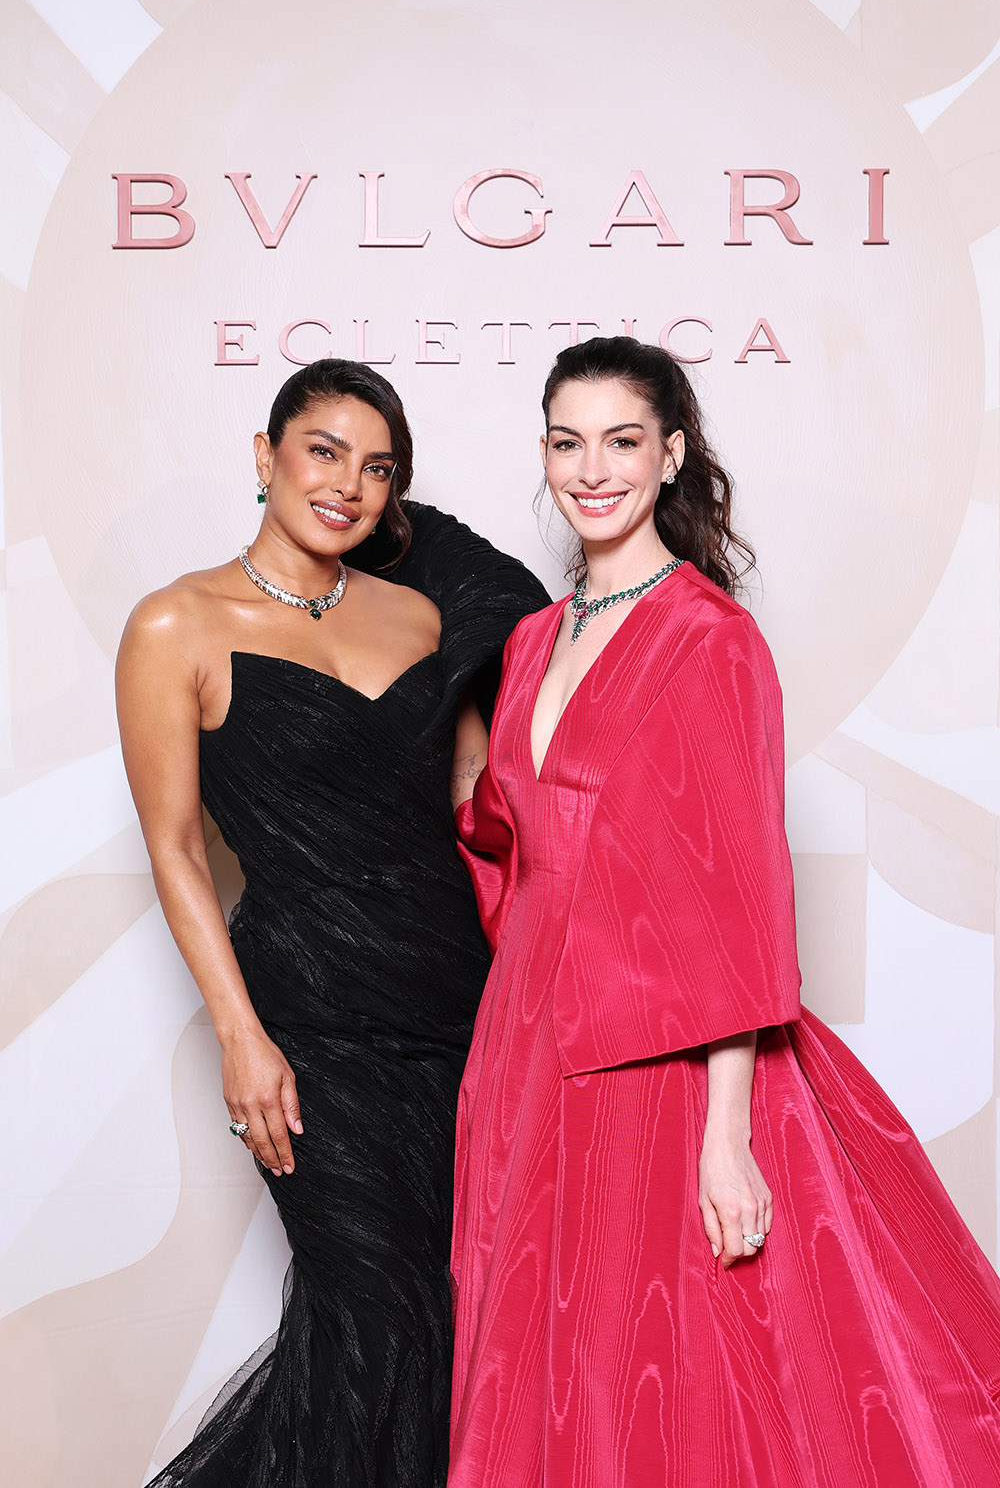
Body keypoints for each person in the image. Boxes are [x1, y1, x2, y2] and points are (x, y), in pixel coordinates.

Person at [448, 335, 1000, 1488]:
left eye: (621, 441)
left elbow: (737, 885)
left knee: (645, 1363)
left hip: (656, 1057)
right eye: (566, 443)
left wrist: (727, 1132)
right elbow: (510, 838)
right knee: (527, 1345)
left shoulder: (710, 640)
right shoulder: (533, 638)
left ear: (670, 455)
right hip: (522, 1044)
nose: (591, 470)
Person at [116, 358, 547, 1488]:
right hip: (309, 1028)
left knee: (453, 1317)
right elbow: (175, 849)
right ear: (265, 457)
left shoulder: (423, 617)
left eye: (377, 467)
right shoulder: (175, 624)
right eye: (323, 451)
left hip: (459, 1010)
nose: (348, 484)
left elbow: (476, 805)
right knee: (376, 1311)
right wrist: (240, 1037)